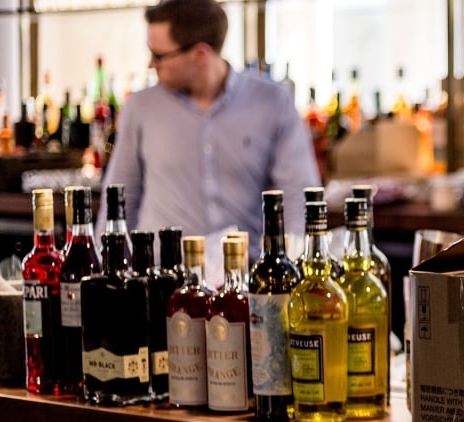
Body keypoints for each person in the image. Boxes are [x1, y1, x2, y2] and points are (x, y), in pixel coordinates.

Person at [99, 0, 318, 270]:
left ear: (200, 54)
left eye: (159, 56)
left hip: (245, 276)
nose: (150, 64)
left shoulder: (272, 102)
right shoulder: (141, 107)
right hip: (162, 277)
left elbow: (298, 197)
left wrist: (294, 268)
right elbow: (119, 198)